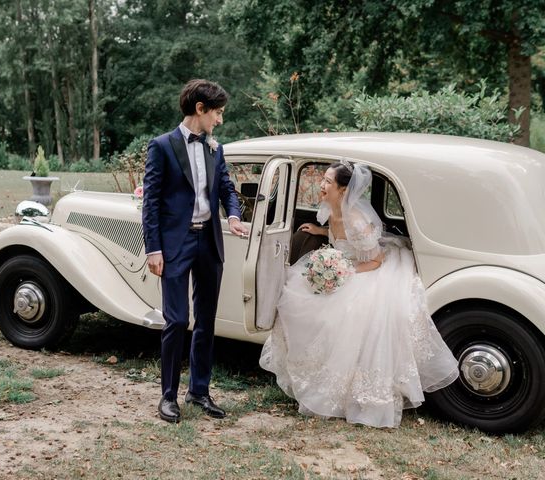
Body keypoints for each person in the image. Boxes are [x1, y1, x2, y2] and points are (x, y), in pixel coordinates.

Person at [260, 160, 459, 428]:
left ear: (343, 190)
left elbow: (375, 261)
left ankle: (350, 391)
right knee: (293, 297)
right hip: (344, 262)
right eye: (324, 180)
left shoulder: (356, 219)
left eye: (328, 182)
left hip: (367, 269)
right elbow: (337, 236)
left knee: (347, 316)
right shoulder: (331, 210)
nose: (322, 185)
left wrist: (343, 272)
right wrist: (321, 232)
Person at [142, 79, 248, 423]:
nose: (220, 120)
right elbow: (151, 204)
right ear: (199, 109)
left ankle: (199, 391)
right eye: (217, 113)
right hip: (175, 243)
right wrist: (153, 248)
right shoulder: (161, 146)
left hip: (209, 242)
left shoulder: (216, 148)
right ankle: (168, 396)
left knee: (205, 321)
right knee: (176, 320)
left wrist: (232, 215)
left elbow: (227, 189)